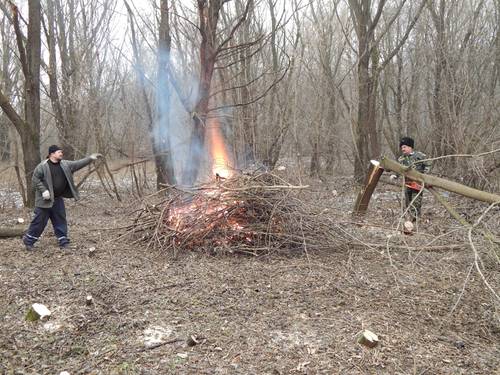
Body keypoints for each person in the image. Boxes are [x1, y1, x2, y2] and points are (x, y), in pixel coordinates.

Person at [22, 145, 102, 250]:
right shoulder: (43, 166)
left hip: (58, 199)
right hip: (44, 201)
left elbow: (78, 164)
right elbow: (35, 179)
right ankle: (29, 242)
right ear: (52, 154)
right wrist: (44, 190)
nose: (61, 153)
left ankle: (64, 242)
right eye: (59, 152)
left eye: (61, 152)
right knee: (39, 222)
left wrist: (90, 158)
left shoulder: (65, 164)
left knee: (60, 220)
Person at [390, 137, 432, 221]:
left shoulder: (420, 156)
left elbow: (428, 164)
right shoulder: (401, 159)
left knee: (416, 202)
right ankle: (409, 219)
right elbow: (399, 169)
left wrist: (424, 175)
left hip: (418, 183)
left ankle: (415, 220)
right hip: (407, 183)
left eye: (404, 147)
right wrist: (395, 175)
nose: (403, 149)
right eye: (402, 147)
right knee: (408, 202)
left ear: (410, 147)